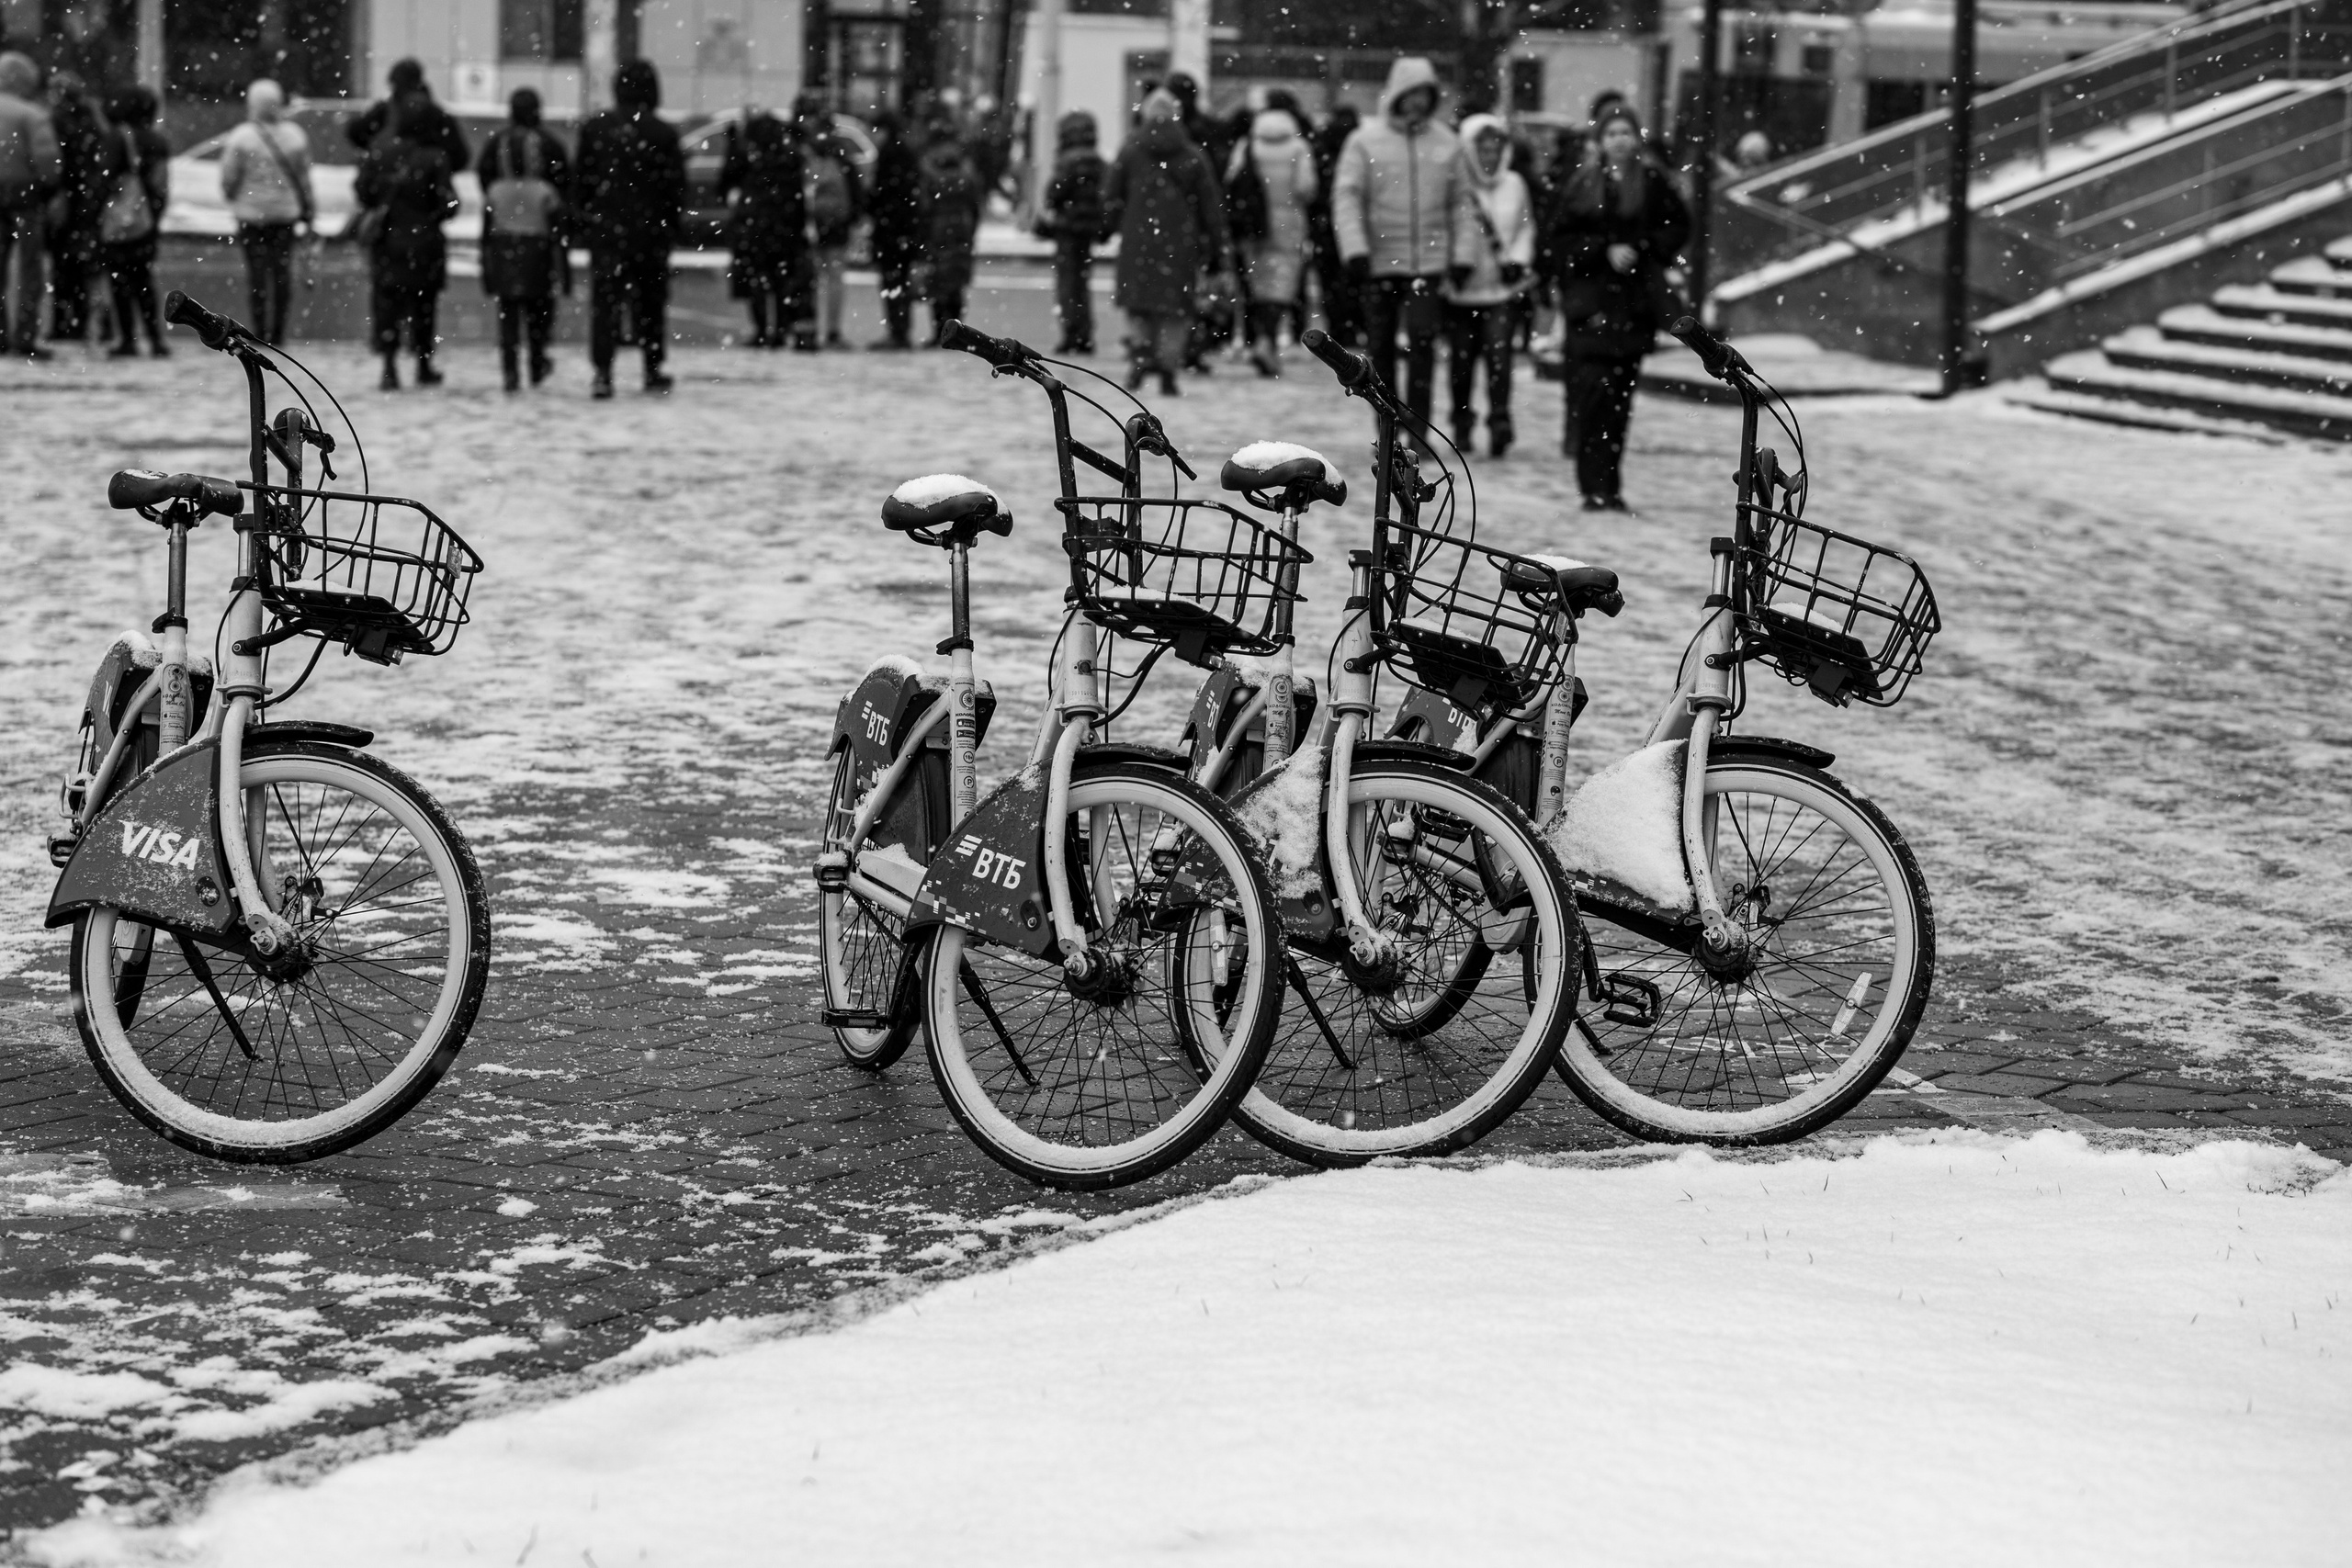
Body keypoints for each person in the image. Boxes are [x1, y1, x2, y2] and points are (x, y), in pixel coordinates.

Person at [1541, 105, 1689, 511]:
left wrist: (1644, 248)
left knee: (1620, 403)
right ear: (1600, 141)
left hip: (1634, 305)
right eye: (1612, 133)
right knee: (1593, 398)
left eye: (1626, 132)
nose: (1620, 140)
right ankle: (1591, 486)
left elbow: (1678, 226)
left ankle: (1611, 486)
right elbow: (1560, 241)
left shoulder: (1652, 182)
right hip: (1590, 305)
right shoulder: (1582, 183)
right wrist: (1603, 249)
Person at [1331, 56, 1477, 437]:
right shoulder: (1365, 141)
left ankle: (1418, 430)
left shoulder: (1448, 143)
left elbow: (1462, 203)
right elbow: (1347, 196)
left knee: (1422, 346)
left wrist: (1463, 256)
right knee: (1380, 349)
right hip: (1378, 261)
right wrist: (1355, 249)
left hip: (1429, 262)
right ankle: (1387, 427)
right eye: (1410, 94)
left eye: (1424, 94)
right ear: (1396, 95)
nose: (1417, 102)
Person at [1104, 86, 1228, 395]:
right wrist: (1218, 247)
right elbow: (1211, 208)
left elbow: (1111, 196)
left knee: (1139, 304)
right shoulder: (1192, 156)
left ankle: (1140, 355)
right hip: (1180, 243)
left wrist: (1108, 226)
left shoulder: (1130, 151)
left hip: (1138, 240)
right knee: (1175, 308)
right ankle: (1168, 368)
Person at [575, 59, 684, 397]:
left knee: (605, 302)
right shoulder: (662, 133)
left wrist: (585, 220)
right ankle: (652, 367)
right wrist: (670, 226)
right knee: (650, 302)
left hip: (608, 228)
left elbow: (582, 181)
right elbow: (674, 188)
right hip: (649, 231)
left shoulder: (596, 129)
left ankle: (603, 371)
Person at [1442, 114, 1535, 458]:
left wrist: (1518, 259)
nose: (1490, 157)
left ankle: (1499, 422)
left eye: (1496, 149)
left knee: (1500, 360)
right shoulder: (1456, 184)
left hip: (1500, 290)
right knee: (1461, 364)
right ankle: (1462, 423)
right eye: (1482, 150)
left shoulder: (1515, 184)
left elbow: (1526, 226)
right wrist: (1454, 264)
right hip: (1462, 291)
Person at [354, 96, 458, 389]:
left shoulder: (380, 153)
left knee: (387, 304)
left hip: (388, 241)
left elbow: (363, 191)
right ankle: (423, 365)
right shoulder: (435, 157)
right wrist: (435, 215)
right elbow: (448, 203)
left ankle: (389, 366)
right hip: (425, 244)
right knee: (424, 305)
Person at [478, 86, 571, 391]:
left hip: (504, 241)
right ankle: (537, 361)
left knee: (508, 312)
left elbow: (484, 184)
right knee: (539, 310)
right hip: (538, 244)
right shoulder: (550, 151)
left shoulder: (496, 150)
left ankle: (510, 370)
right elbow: (564, 191)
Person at [1227, 90, 1316, 377]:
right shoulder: (1299, 147)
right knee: (1282, 285)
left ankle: (1259, 341)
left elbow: (1232, 181)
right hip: (1289, 225)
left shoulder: (1248, 144)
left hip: (1254, 225)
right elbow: (1306, 187)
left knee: (1257, 284)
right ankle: (1268, 341)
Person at [219, 79, 313, 346]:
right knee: (282, 273)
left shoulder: (241, 137)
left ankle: (259, 331)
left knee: (257, 274)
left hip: (251, 216)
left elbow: (229, 178)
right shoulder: (295, 137)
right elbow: (304, 178)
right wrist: (308, 206)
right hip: (284, 215)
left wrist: (234, 195)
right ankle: (278, 332)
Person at [717, 106, 803, 349]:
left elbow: (725, 182)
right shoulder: (788, 158)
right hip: (783, 228)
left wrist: (733, 143)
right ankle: (781, 328)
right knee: (781, 280)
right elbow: (797, 197)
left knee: (757, 279)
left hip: (754, 227)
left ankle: (763, 329)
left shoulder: (748, 157)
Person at [96, 85, 167, 359]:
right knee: (144, 281)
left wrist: (95, 213)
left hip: (120, 218)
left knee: (119, 281)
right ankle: (155, 338)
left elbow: (103, 180)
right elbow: (161, 185)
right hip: (146, 218)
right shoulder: (157, 140)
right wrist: (154, 214)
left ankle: (127, 339)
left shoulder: (117, 138)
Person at [0, 51, 59, 359]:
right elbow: (48, 162)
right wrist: (49, 187)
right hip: (25, 196)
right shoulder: (32, 114)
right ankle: (25, 335)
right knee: (30, 268)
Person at [1035, 109, 1108, 355]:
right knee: (1082, 284)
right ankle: (1085, 334)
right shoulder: (1098, 162)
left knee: (1068, 284)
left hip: (1067, 230)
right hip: (1087, 231)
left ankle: (1071, 333)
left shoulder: (1067, 161)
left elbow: (1054, 193)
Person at [42, 69, 106, 346]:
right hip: (88, 201)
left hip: (65, 200)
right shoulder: (93, 120)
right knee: (83, 264)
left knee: (61, 265)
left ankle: (61, 322)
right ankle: (81, 320)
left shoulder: (56, 121)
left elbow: (55, 161)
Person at [797, 96, 861, 350]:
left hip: (812, 224)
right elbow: (856, 193)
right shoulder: (842, 157)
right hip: (837, 225)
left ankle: (808, 329)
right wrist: (851, 219)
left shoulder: (807, 154)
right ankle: (833, 331)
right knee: (835, 278)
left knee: (811, 279)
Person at [916, 118, 982, 345]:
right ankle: (957, 332)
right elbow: (975, 205)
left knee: (937, 283)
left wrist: (923, 233)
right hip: (961, 230)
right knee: (956, 283)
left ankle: (939, 332)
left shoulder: (929, 168)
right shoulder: (966, 170)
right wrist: (970, 229)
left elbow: (924, 207)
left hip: (937, 232)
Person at [345, 59, 471, 174]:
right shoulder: (438, 115)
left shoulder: (384, 112)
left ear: (395, 85)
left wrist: (378, 155)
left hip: (385, 183)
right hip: (427, 187)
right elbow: (460, 157)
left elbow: (355, 132)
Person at [865, 109, 922, 350]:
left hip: (892, 231)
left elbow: (884, 195)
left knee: (893, 281)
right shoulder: (904, 152)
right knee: (900, 281)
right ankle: (901, 330)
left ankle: (897, 331)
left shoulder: (890, 155)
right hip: (903, 230)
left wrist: (870, 203)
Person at [1307, 103, 1360, 348]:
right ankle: (1353, 326)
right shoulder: (1358, 146)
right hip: (1351, 224)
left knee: (1330, 280)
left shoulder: (1320, 148)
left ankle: (1338, 327)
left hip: (1324, 224)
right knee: (1352, 280)